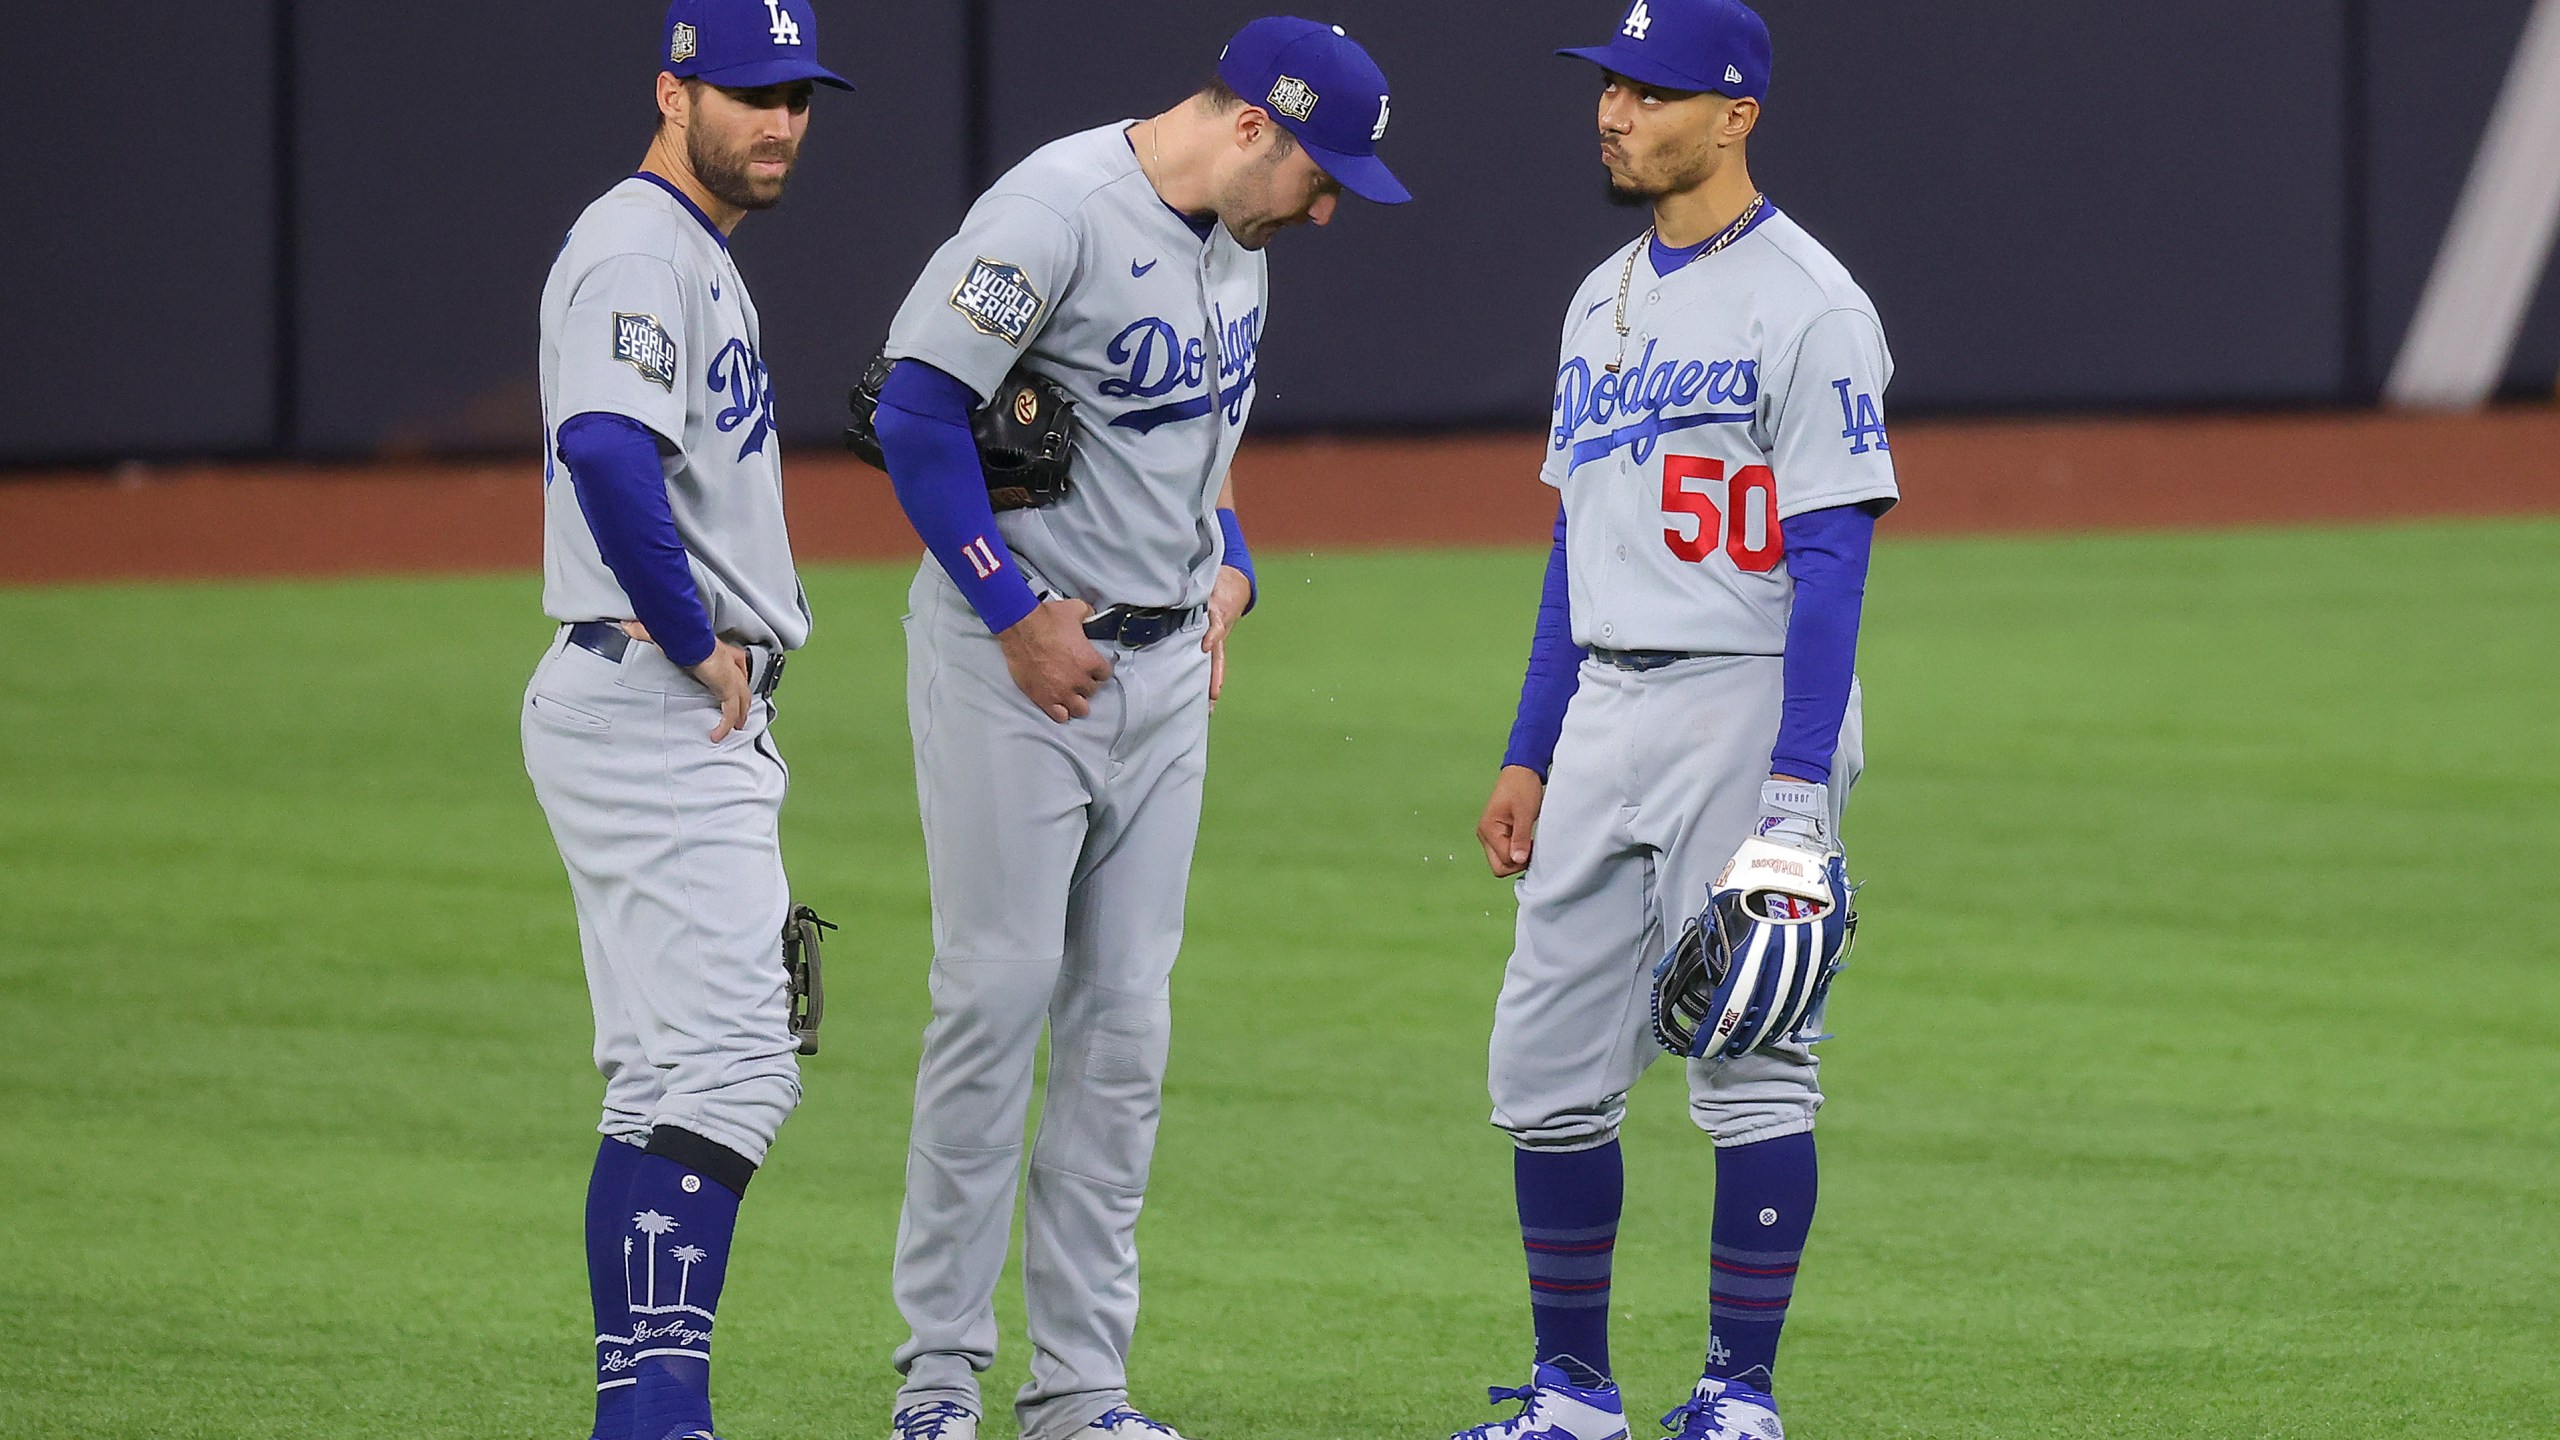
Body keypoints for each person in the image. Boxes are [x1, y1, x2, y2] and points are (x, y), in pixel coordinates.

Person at [866, 18, 1409, 1440]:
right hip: (1016, 671)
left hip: (1168, 681)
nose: (1333, 203)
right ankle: (937, 1379)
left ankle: (1082, 1392)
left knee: (1124, 1032)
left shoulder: (1246, 251)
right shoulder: (1050, 214)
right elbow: (914, 412)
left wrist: (1230, 564)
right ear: (1253, 128)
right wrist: (1008, 607)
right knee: (993, 1000)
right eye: (1324, 171)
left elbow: (1197, 453)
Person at [1462, 2, 1898, 1438]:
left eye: (1651, 91)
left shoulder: (1811, 302)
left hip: (1742, 695)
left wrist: (1791, 788)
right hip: (1603, 706)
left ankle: (1738, 1393)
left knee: (1750, 1048)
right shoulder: (1600, 297)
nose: (1614, 111)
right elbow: (1573, 547)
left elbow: (1834, 558)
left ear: (1735, 115)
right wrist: (1530, 745)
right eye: (1609, 86)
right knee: (1542, 1069)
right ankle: (1574, 1394)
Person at [520, 4, 847, 1438]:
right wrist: (691, 632)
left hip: (634, 700)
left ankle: (637, 1418)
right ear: (674, 90)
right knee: (737, 1065)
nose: (778, 121)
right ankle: (666, 1418)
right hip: (656, 702)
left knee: (662, 1076)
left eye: (798, 96)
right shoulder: (641, 244)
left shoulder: (688, 251)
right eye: (749, 93)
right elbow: (602, 441)